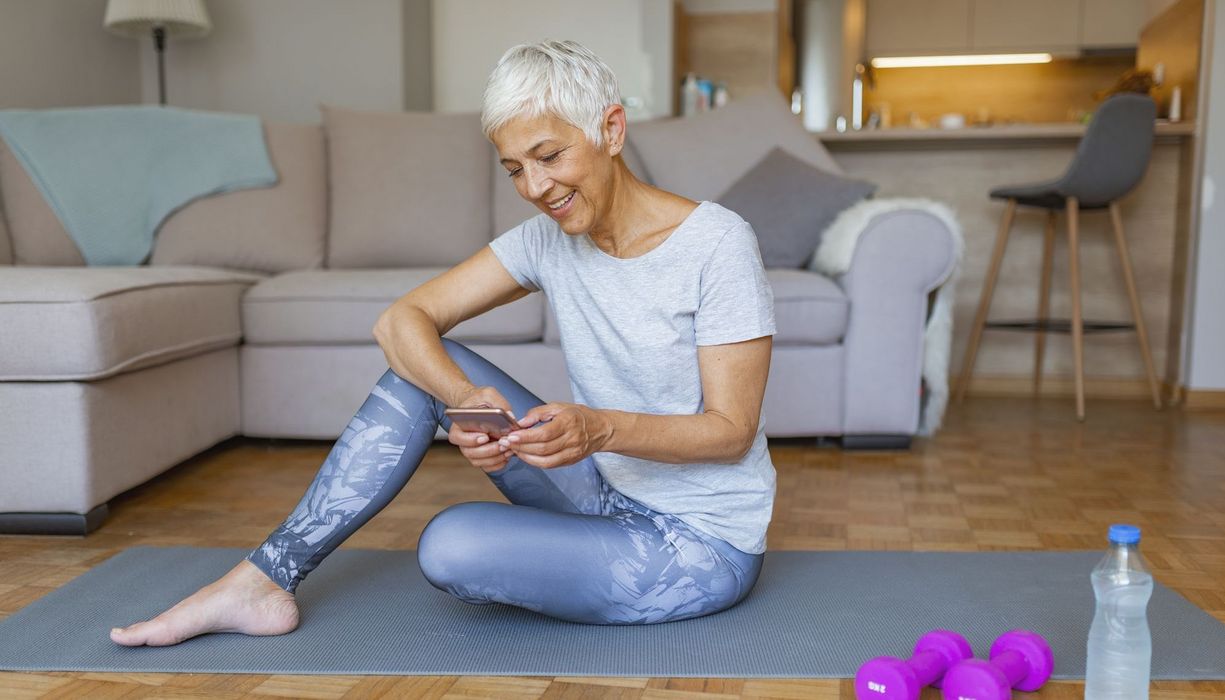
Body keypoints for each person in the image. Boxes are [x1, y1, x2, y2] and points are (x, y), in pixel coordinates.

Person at [110, 38, 776, 646]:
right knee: (421, 370)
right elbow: (401, 321)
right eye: (515, 168)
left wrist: (598, 429)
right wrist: (464, 401)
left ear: (610, 128)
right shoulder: (547, 240)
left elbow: (730, 432)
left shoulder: (716, 244)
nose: (537, 188)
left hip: (697, 543)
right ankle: (262, 579)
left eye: (549, 157)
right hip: (602, 491)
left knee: (450, 547)